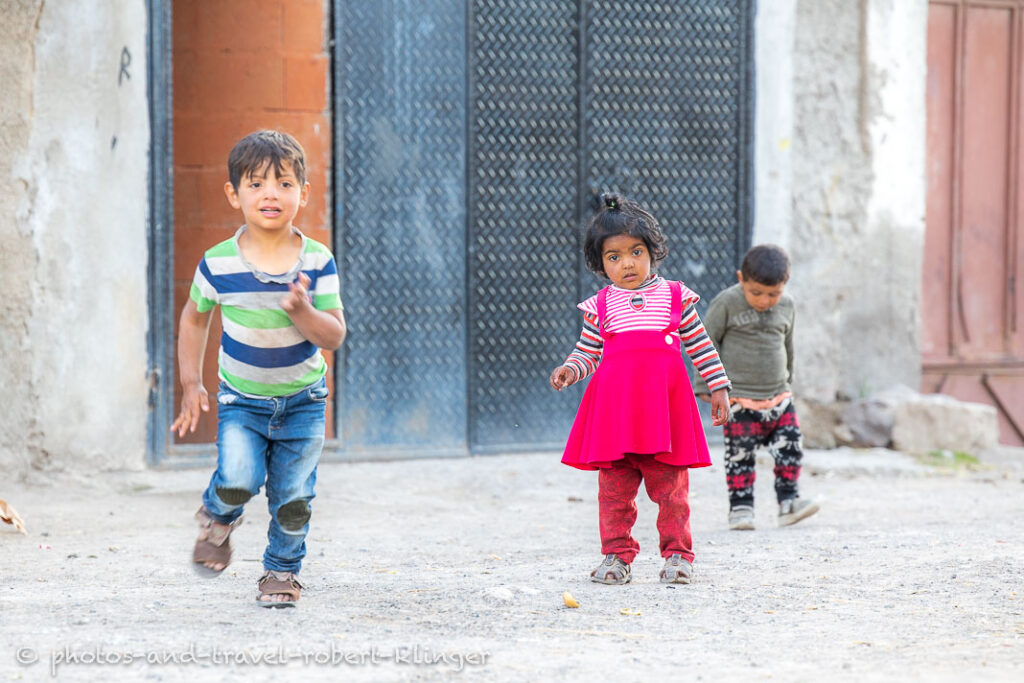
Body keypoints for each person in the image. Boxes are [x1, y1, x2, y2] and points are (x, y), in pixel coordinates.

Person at [171, 129, 346, 607]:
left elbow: (333, 336)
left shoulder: (317, 260)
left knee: (293, 498)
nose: (271, 193)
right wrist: (191, 383)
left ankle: (280, 572)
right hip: (241, 400)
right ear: (234, 194)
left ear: (303, 194)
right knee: (238, 478)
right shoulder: (218, 263)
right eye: (256, 184)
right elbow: (194, 316)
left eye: (285, 184)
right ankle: (217, 516)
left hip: (303, 402)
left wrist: (302, 312)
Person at [550, 193, 731, 585]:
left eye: (636, 251)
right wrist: (570, 369)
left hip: (662, 416)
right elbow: (588, 351)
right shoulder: (600, 305)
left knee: (671, 492)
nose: (627, 263)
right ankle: (617, 556)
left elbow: (700, 344)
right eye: (614, 257)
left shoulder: (674, 297)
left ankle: (678, 556)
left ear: (653, 251)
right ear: (601, 264)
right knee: (613, 491)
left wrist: (718, 386)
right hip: (615, 417)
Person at [694, 244, 819, 531]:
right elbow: (705, 341)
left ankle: (788, 503)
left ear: (784, 286)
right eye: (756, 293)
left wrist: (788, 381)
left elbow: (788, 346)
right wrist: (706, 385)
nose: (765, 301)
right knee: (741, 454)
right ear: (741, 279)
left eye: (773, 294)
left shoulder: (787, 305)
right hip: (739, 398)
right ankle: (741, 508)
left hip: (778, 394)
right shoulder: (727, 303)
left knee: (790, 448)